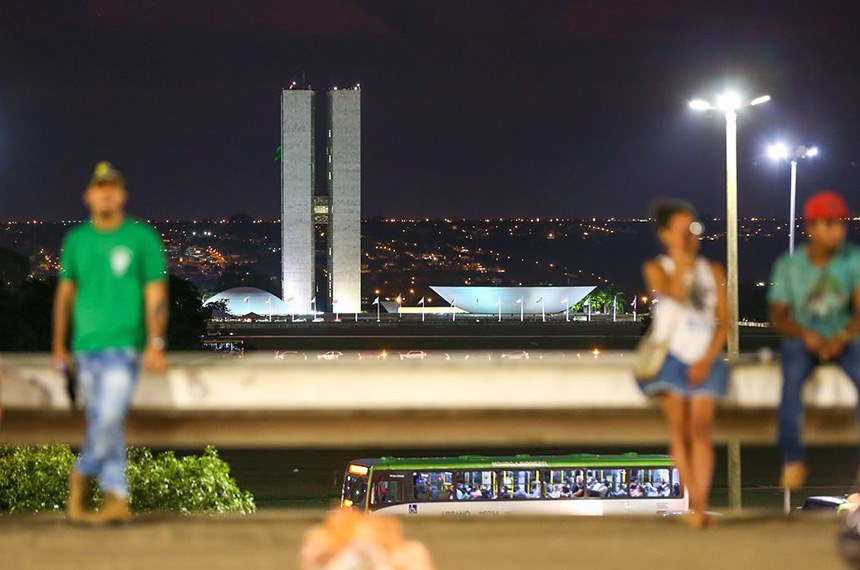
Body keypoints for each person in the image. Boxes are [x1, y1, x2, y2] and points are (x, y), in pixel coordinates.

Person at [52, 162, 168, 525]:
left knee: (110, 415)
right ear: (88, 195)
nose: (105, 193)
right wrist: (58, 346)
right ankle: (116, 496)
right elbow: (64, 296)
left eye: (112, 187)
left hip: (124, 349)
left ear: (123, 194)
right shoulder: (76, 241)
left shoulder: (141, 237)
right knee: (107, 420)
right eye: (99, 187)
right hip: (85, 349)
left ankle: (82, 472)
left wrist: (155, 342)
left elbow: (156, 293)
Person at [639, 199, 729, 528]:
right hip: (671, 358)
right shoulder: (657, 268)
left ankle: (701, 506)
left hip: (704, 356)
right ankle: (694, 507)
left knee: (701, 430)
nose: (690, 235)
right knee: (680, 430)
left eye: (694, 228)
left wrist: (707, 360)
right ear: (665, 234)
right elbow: (672, 295)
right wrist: (683, 264)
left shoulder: (714, 271)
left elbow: (724, 322)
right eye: (682, 230)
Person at [768, 190, 860, 490]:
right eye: (829, 223)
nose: (837, 230)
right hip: (803, 338)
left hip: (845, 337)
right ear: (811, 227)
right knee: (791, 381)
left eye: (840, 223)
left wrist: (842, 336)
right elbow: (779, 315)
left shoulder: (853, 260)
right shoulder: (789, 265)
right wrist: (806, 334)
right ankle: (793, 459)